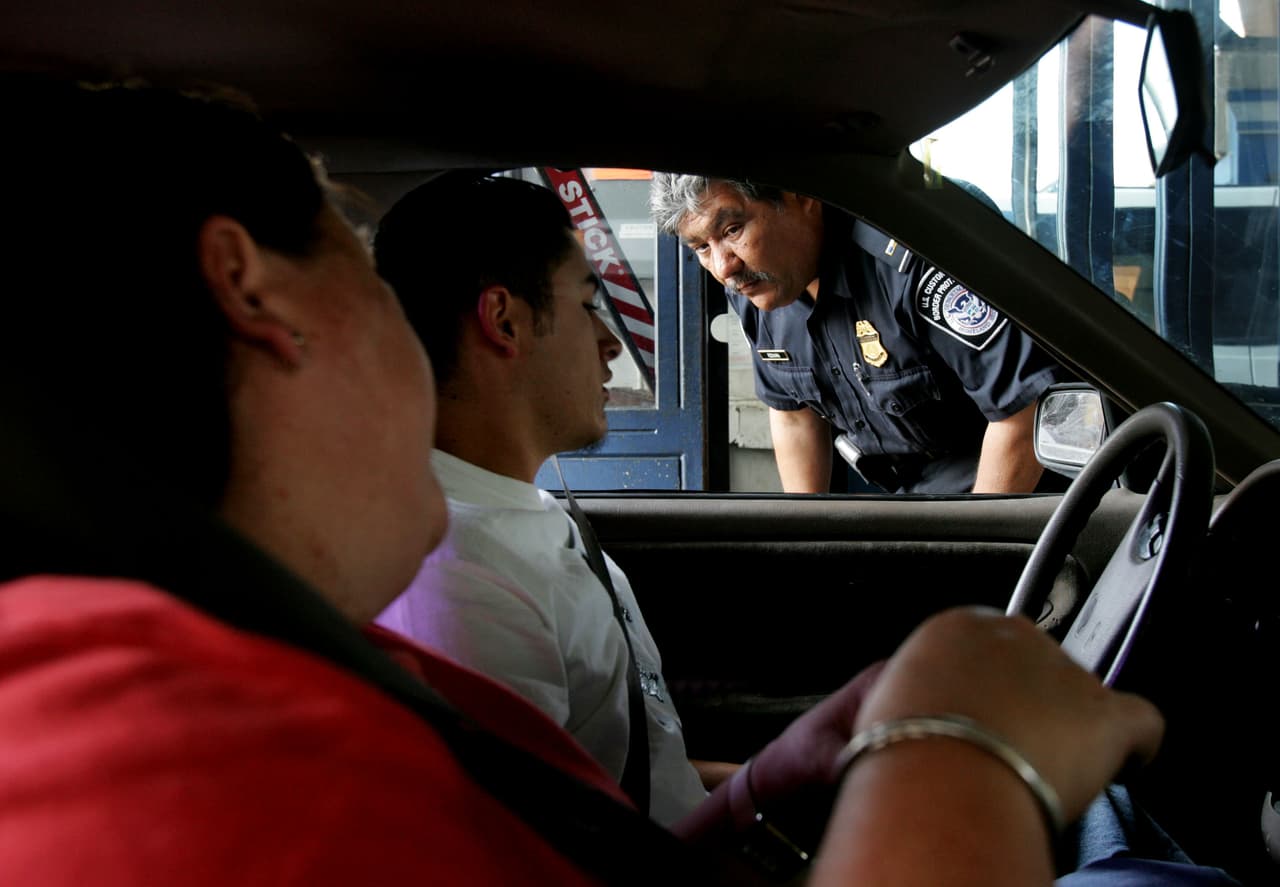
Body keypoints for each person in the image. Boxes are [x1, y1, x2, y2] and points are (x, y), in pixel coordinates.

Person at [0, 76, 1238, 887]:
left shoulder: (319, 668)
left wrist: (765, 777)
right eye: (367, 269)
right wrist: (955, 750)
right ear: (255, 293)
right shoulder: (171, 771)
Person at [371, 175, 709, 826]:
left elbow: (632, 778)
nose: (610, 342)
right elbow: (535, 846)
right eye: (587, 305)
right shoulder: (459, 580)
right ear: (505, 320)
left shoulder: (520, 514)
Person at [649, 173, 1070, 495]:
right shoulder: (758, 289)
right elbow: (794, 415)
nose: (723, 267)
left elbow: (1022, 411)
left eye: (732, 231)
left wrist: (977, 556)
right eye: (701, 247)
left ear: (801, 194)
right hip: (897, 495)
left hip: (1013, 492)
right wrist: (806, 544)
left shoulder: (910, 259)